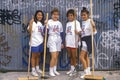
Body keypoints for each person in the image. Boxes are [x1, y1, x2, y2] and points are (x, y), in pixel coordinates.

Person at [79, 7, 97, 78]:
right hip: (83, 39)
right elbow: (84, 32)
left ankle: (86, 72)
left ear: (88, 15)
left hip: (87, 40)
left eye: (84, 15)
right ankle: (88, 72)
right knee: (86, 57)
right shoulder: (83, 22)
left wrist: (93, 25)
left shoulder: (90, 21)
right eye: (82, 15)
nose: (83, 16)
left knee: (81, 57)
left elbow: (94, 32)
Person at [47, 8, 64, 77]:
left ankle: (54, 69)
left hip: (58, 39)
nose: (55, 16)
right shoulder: (48, 21)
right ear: (51, 15)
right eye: (54, 14)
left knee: (56, 56)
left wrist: (62, 42)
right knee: (53, 56)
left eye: (57, 14)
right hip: (52, 38)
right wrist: (45, 25)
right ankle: (50, 70)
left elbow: (62, 33)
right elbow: (45, 31)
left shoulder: (59, 23)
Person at [27, 10, 44, 76]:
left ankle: (37, 68)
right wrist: (30, 24)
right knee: (33, 56)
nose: (40, 16)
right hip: (34, 42)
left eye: (41, 15)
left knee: (38, 55)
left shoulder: (41, 23)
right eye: (38, 15)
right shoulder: (33, 22)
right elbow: (30, 31)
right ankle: (33, 70)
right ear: (36, 15)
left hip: (40, 42)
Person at [65, 9, 82, 76]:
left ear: (74, 16)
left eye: (71, 15)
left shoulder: (76, 22)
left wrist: (77, 33)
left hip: (74, 41)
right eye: (69, 16)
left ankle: (75, 70)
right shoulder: (67, 23)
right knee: (70, 56)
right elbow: (66, 33)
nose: (70, 17)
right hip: (68, 41)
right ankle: (72, 69)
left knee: (74, 56)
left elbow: (80, 32)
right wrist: (65, 41)